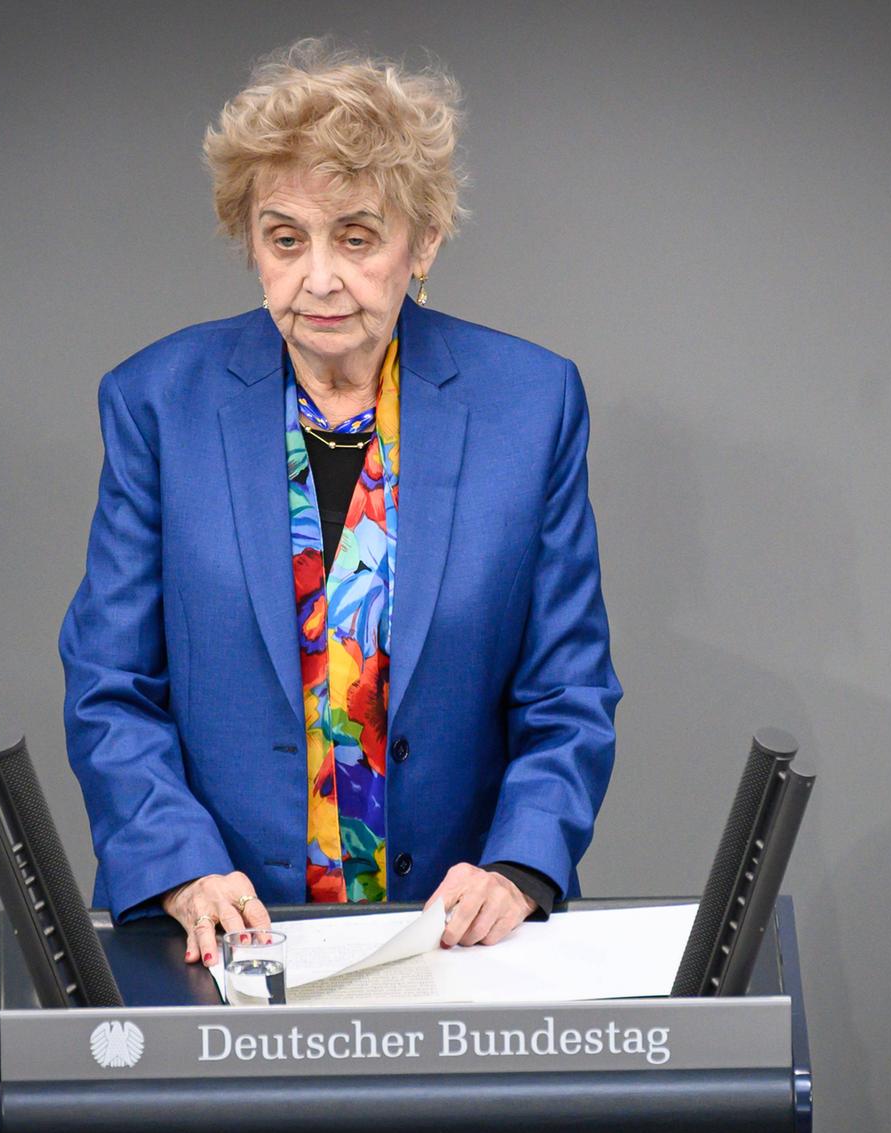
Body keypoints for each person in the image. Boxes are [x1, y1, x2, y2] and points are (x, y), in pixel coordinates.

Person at [60, 38, 621, 970]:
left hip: (451, 938)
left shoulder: (532, 402)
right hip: (216, 936)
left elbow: (568, 692)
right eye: (286, 239)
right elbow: (111, 684)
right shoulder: (157, 401)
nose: (319, 277)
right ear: (251, 242)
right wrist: (181, 869)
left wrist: (518, 869)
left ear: (424, 240)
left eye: (356, 237)